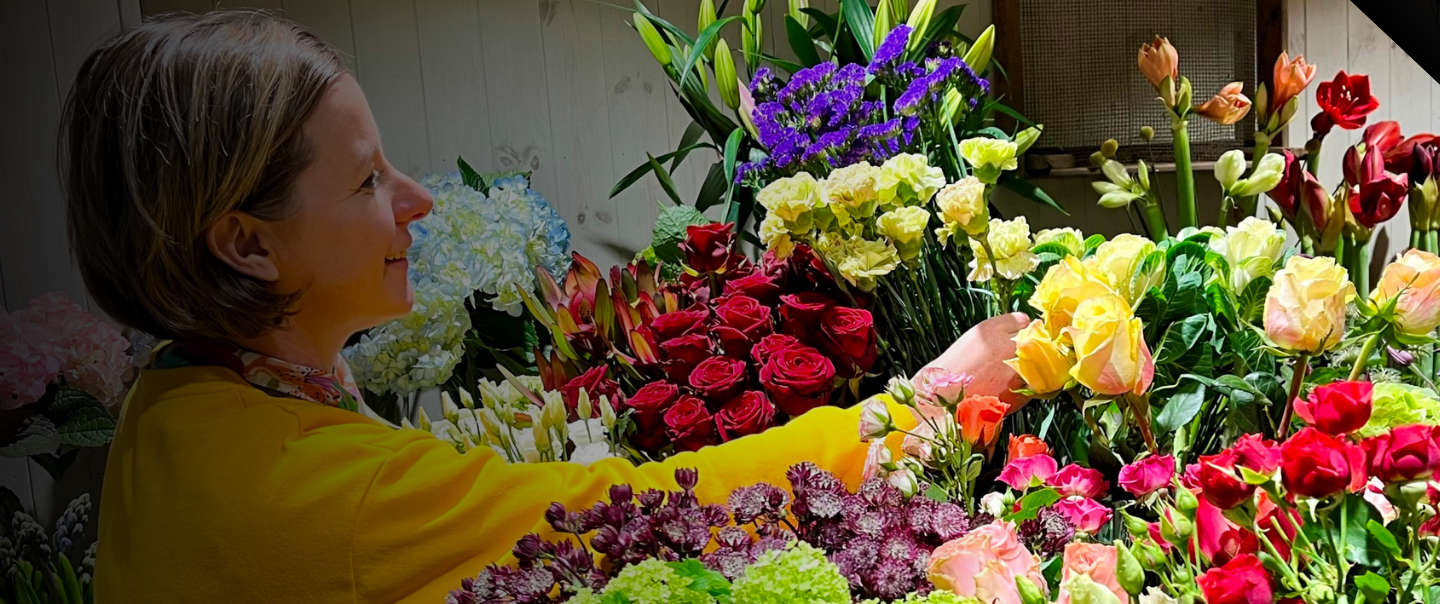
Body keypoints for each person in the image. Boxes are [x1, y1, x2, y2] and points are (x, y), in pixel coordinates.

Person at [65, 11, 1030, 603]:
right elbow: (623, 516)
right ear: (247, 243)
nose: (418, 199)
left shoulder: (171, 402)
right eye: (365, 181)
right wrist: (929, 399)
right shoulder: (310, 487)